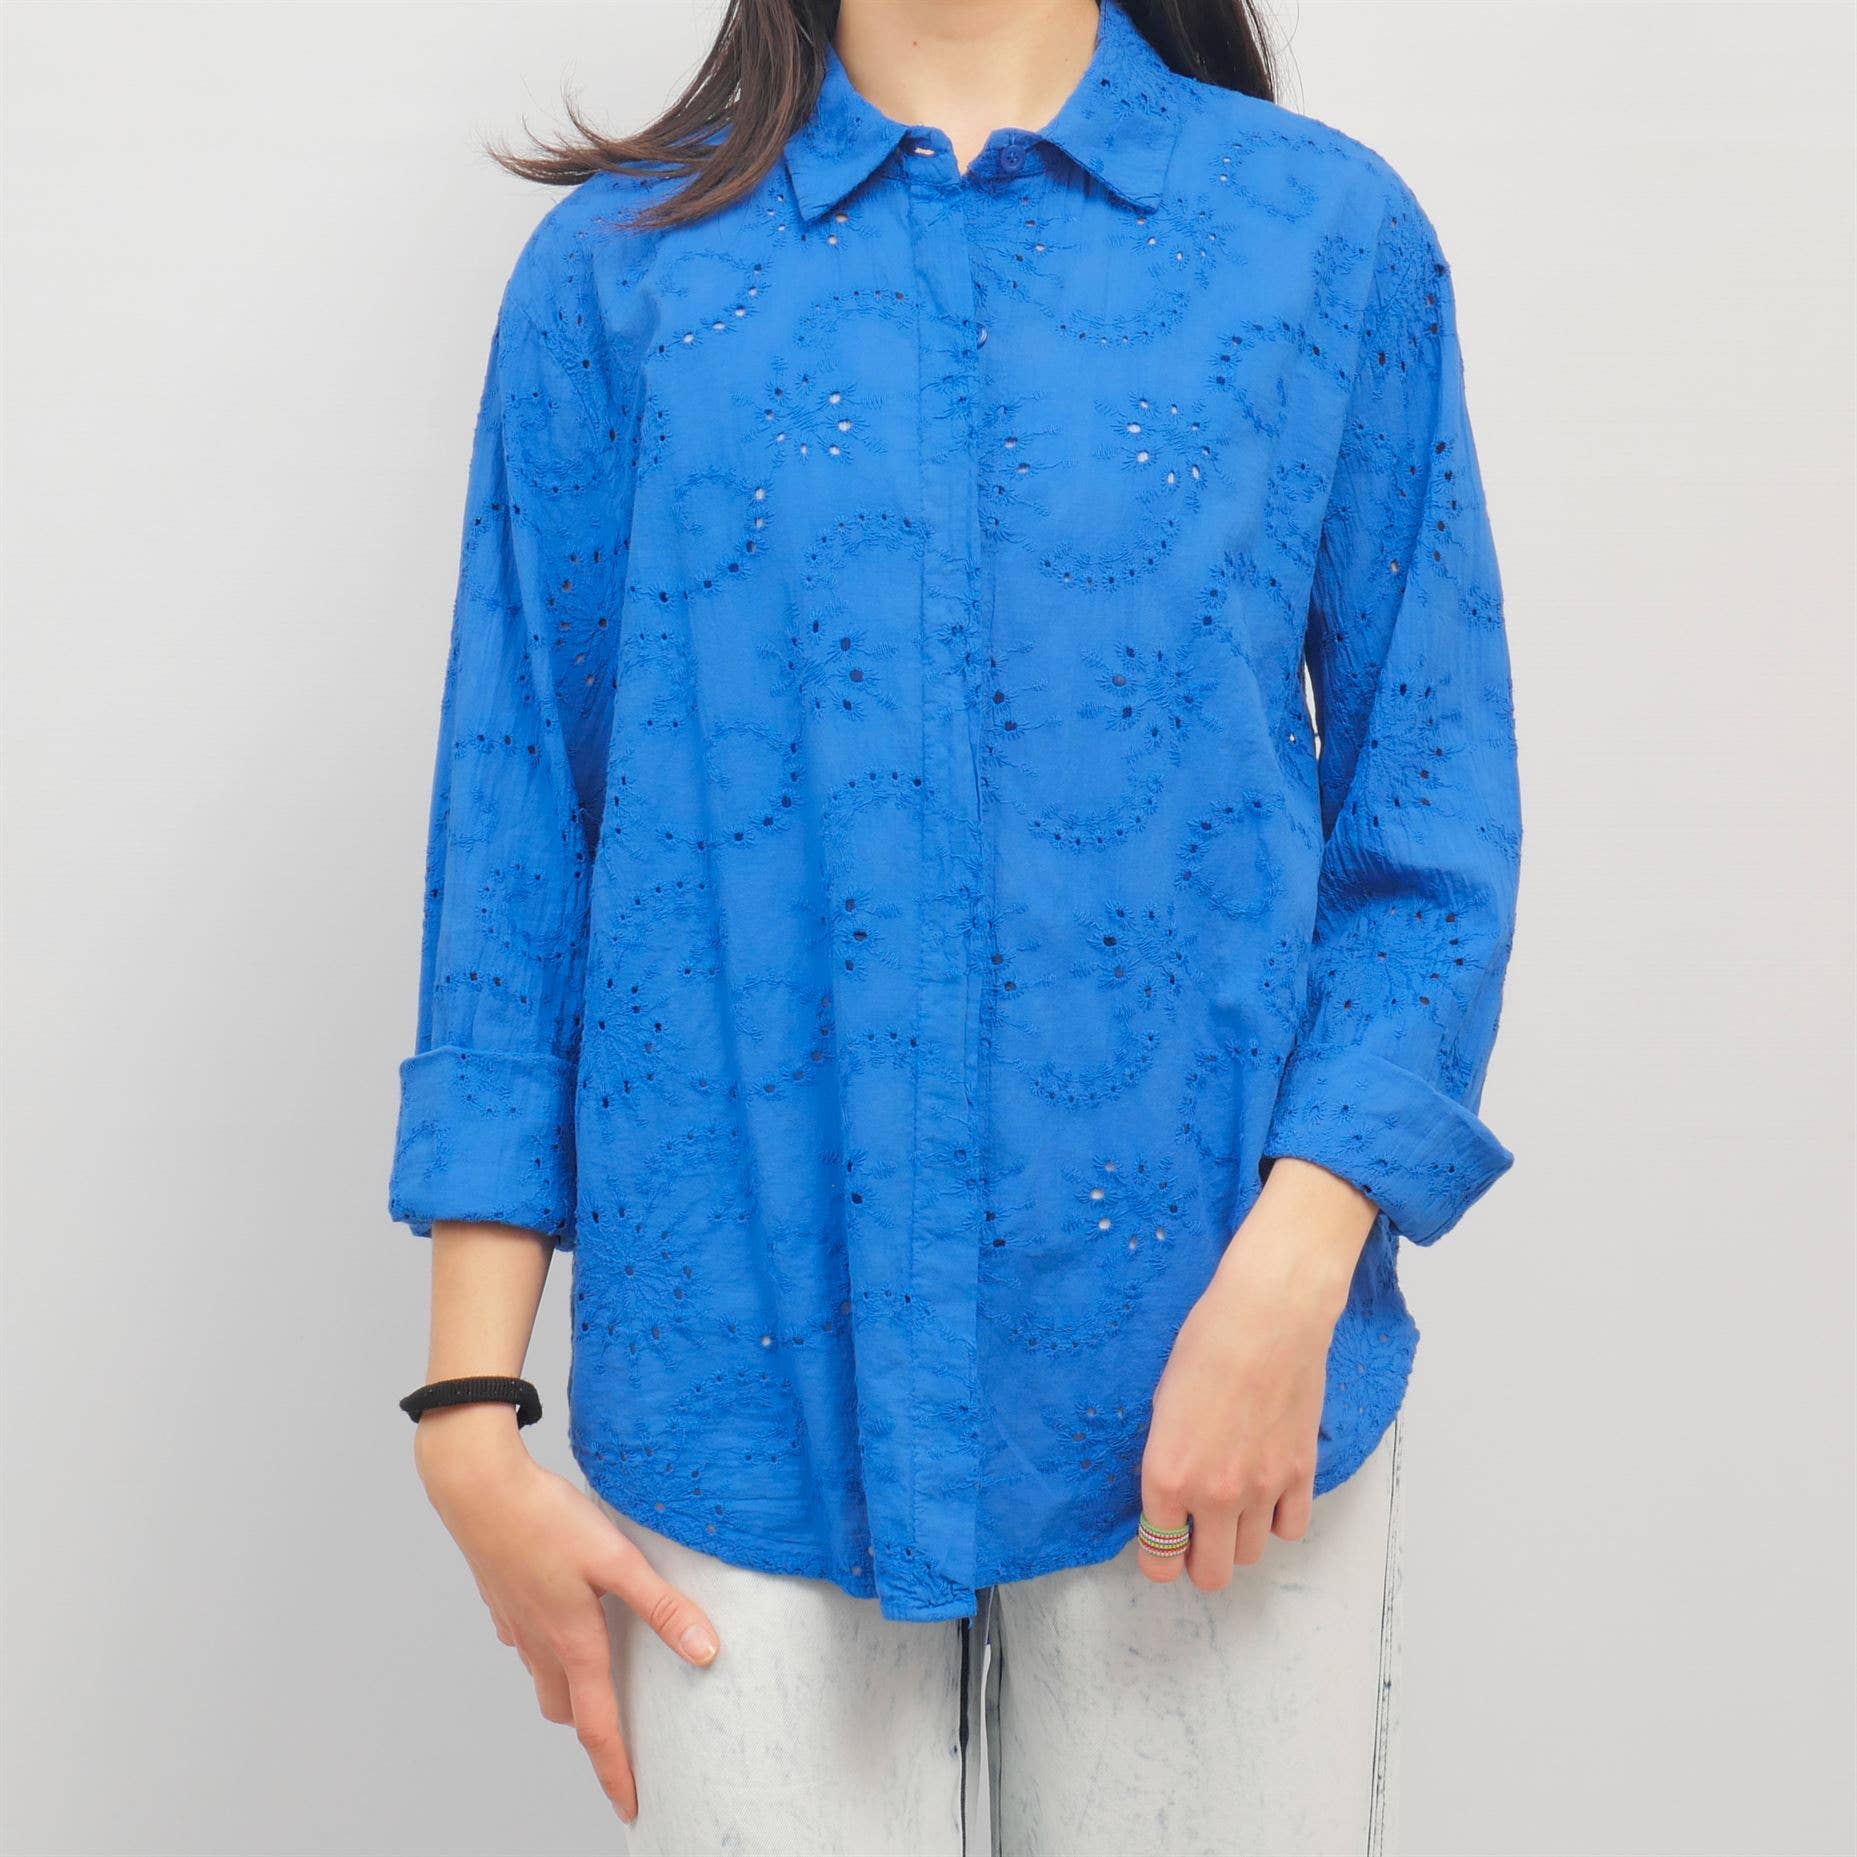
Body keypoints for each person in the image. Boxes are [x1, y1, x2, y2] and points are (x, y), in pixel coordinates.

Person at [386, 1, 1523, 1850]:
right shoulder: (620, 275)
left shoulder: (1321, 235)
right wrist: (466, 1407)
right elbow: (519, 835)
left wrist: (1293, 1270)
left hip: (1210, 1381)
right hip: (736, 1374)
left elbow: (1427, 817)